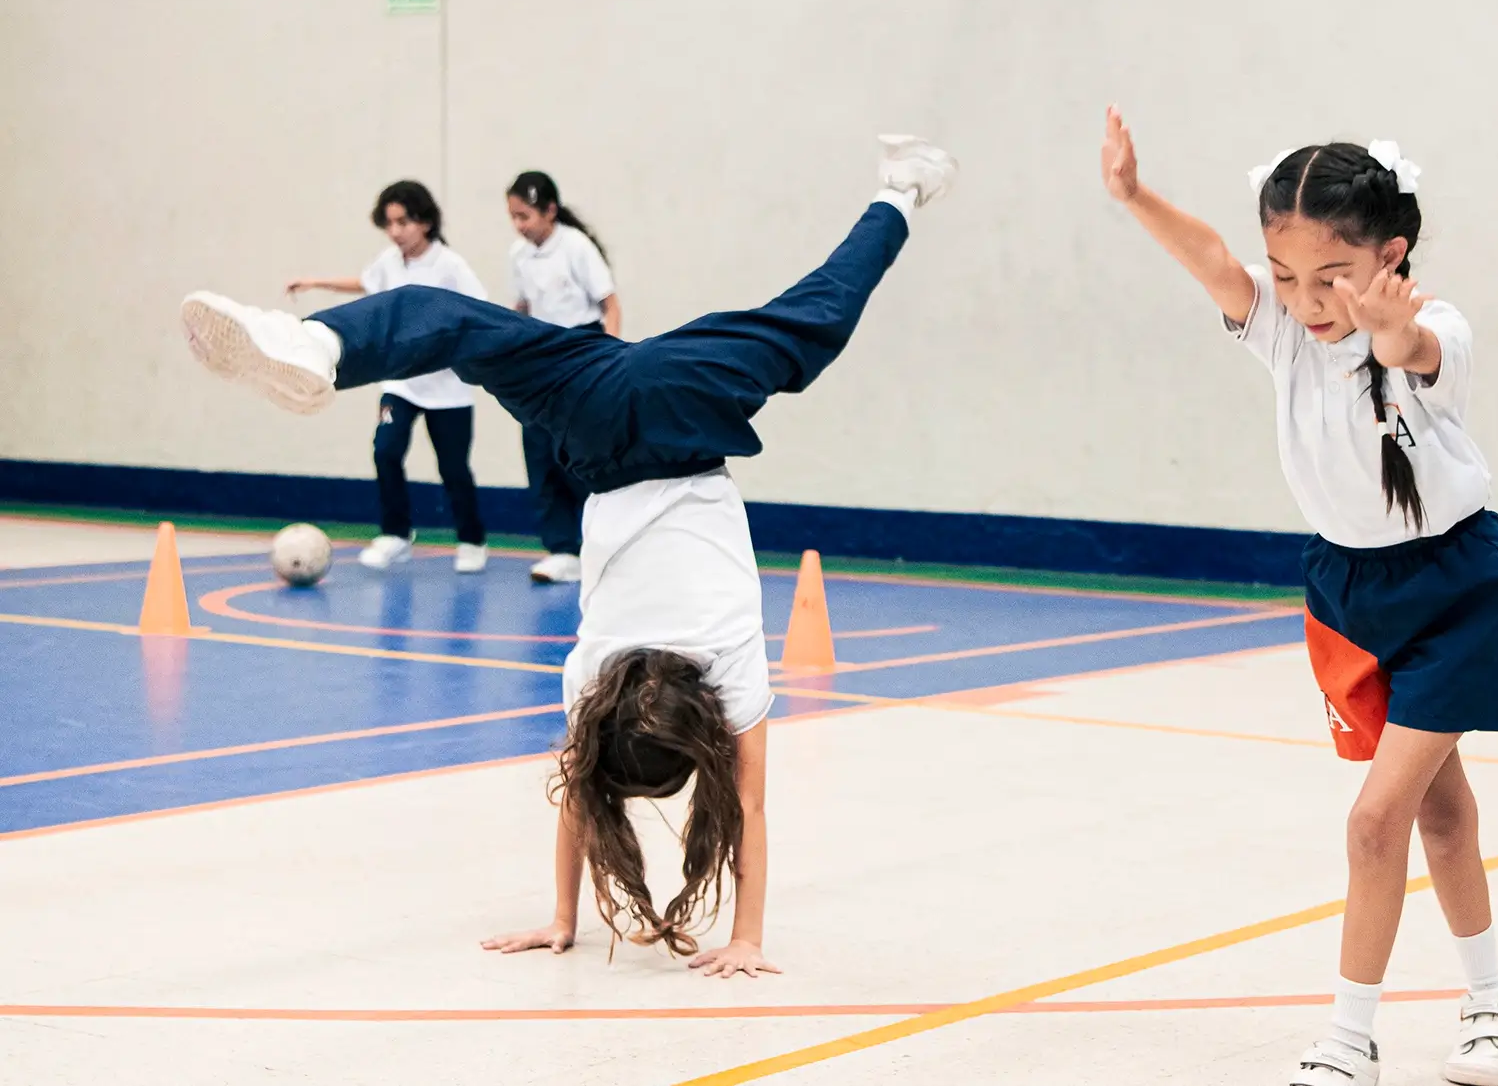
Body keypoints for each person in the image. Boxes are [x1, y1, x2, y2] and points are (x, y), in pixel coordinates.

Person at [182, 135, 957, 978]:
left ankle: (905, 189)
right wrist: (579, 917)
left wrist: (732, 933)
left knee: (818, 312)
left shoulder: (727, 675)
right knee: (460, 329)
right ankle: (315, 348)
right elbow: (589, 796)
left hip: (679, 396)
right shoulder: (592, 675)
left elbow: (751, 809)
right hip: (597, 419)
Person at [1101, 108, 1498, 1086]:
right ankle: (1492, 1000)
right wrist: (1131, 195)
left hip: (1454, 586)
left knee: (1376, 821)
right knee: (1441, 816)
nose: (1304, 299)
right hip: (1348, 594)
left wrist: (1392, 331)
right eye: (1284, 276)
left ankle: (1347, 1044)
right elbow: (1210, 257)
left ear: (1391, 253)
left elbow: (1416, 352)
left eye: (1330, 276)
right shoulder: (1283, 335)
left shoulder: (1435, 329)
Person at [286, 181, 490, 573]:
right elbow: (366, 282)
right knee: (386, 450)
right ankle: (396, 534)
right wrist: (316, 282)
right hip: (400, 383)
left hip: (447, 389)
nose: (395, 231)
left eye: (404, 222)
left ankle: (471, 539)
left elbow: (479, 307)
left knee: (453, 467)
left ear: (426, 222)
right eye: (389, 223)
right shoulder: (389, 261)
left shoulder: (449, 265)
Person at [504, 171, 619, 584]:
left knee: (577, 455)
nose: (520, 225)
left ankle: (602, 546)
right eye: (514, 216)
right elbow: (522, 307)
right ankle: (561, 549)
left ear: (550, 210)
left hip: (581, 352)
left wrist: (610, 357)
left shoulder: (575, 246)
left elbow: (610, 304)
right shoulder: (518, 255)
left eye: (526, 215)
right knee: (539, 450)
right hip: (539, 356)